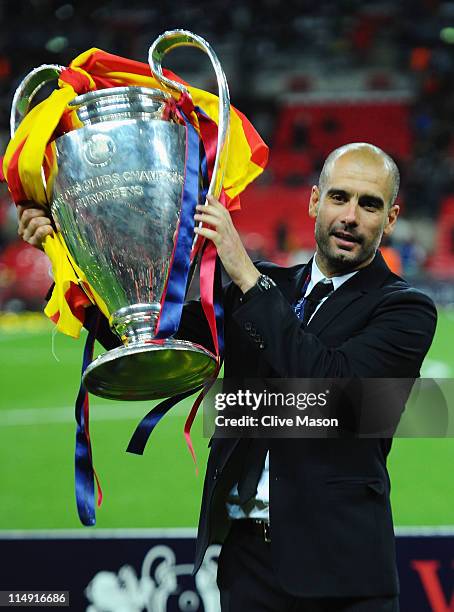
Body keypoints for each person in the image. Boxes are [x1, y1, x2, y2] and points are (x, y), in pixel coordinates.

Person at [17, 143, 437, 612]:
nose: (351, 216)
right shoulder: (262, 288)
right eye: (340, 197)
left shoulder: (405, 309)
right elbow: (154, 339)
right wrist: (67, 254)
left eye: (370, 204)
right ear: (315, 200)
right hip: (247, 565)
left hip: (341, 578)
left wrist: (247, 276)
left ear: (392, 218)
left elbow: (333, 396)